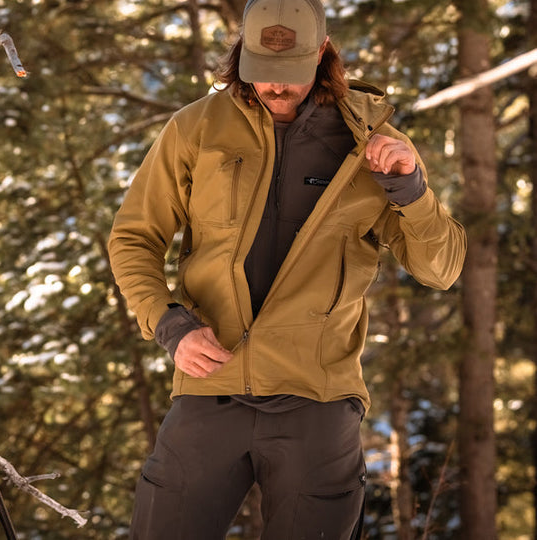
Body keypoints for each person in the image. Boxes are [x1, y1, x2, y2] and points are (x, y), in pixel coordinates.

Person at [108, 0, 467, 537]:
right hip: (211, 388)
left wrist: (410, 190)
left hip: (317, 401)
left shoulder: (372, 145)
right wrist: (168, 324)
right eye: (262, 74)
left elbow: (442, 268)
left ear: (322, 54)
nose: (274, 88)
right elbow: (134, 237)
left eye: (289, 75)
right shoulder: (195, 130)